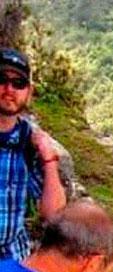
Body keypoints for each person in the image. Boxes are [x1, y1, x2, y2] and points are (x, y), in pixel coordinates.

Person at [0, 48, 67, 260]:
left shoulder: (29, 143)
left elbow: (54, 215)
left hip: (12, 257)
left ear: (28, 92)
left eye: (18, 83)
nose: (9, 89)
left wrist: (49, 159)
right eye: (2, 79)